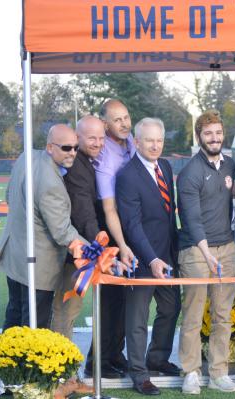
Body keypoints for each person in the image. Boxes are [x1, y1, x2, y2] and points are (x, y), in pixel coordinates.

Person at [0, 124, 87, 329]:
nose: (72, 153)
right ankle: (26, 362)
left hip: (15, 255)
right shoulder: (50, 183)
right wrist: (94, 251)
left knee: (15, 313)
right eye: (66, 148)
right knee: (34, 325)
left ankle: (6, 360)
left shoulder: (25, 157)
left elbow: (8, 195)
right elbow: (62, 231)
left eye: (75, 147)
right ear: (49, 147)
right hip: (37, 265)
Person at [116, 117, 181, 396]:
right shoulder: (127, 176)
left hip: (167, 256)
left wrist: (169, 256)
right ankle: (139, 374)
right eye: (149, 140)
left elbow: (168, 215)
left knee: (170, 308)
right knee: (138, 319)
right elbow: (132, 224)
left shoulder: (165, 166)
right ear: (136, 142)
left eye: (159, 140)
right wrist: (152, 259)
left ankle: (158, 358)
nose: (155, 145)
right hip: (142, 259)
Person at [178, 110, 235, 394]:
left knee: (222, 315)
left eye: (217, 133)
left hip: (227, 248)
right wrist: (206, 253)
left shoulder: (231, 165)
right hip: (196, 250)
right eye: (208, 133)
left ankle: (218, 372)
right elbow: (191, 220)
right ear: (199, 137)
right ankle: (190, 371)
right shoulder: (190, 172)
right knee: (192, 315)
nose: (214, 138)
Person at [84, 98, 136, 379]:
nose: (124, 123)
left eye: (126, 117)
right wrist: (121, 246)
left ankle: (115, 354)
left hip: (127, 227)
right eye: (117, 120)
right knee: (109, 298)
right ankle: (97, 361)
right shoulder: (106, 156)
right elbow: (109, 207)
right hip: (111, 231)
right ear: (105, 124)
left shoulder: (128, 144)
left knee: (123, 299)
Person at [51, 115, 105, 339]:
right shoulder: (77, 167)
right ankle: (61, 371)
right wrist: (99, 248)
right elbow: (84, 213)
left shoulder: (84, 162)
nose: (98, 143)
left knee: (66, 310)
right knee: (66, 310)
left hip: (74, 249)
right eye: (91, 138)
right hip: (72, 252)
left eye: (101, 138)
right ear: (77, 137)